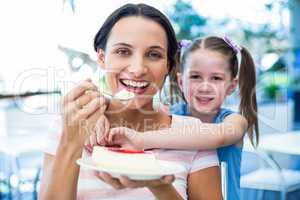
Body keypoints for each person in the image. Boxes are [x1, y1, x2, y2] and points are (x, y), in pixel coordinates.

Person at [39, 4, 222, 200]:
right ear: (102, 57)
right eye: (123, 51)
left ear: (167, 65)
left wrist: (160, 186)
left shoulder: (194, 136)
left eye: (154, 55)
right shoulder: (68, 127)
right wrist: (72, 141)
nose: (137, 69)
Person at [105, 36, 259, 200]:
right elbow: (134, 108)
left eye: (216, 78)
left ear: (231, 86)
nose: (204, 87)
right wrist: (102, 107)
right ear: (180, 81)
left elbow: (217, 136)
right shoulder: (170, 115)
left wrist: (141, 140)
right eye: (195, 77)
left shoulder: (234, 122)